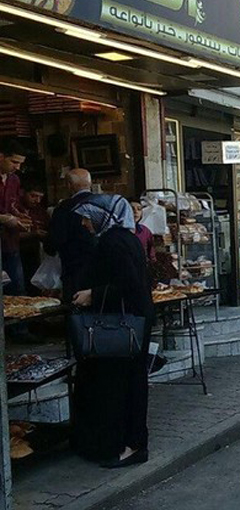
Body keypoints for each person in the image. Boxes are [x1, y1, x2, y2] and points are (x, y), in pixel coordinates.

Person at [71, 194, 155, 468]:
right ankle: (126, 443)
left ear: (101, 217)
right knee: (126, 384)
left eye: (87, 217)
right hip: (132, 322)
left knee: (121, 387)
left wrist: (92, 295)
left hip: (122, 326)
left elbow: (129, 283)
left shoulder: (113, 242)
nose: (84, 223)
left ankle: (129, 446)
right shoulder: (124, 238)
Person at [45, 168, 96, 300]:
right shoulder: (105, 203)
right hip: (103, 264)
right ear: (90, 183)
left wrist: (48, 246)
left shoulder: (65, 208)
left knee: (75, 304)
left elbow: (56, 239)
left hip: (75, 266)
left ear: (68, 185)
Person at [0, 139, 31, 295]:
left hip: (10, 241)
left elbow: (13, 204)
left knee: (18, 289)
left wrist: (19, 214)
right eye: (14, 162)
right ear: (1, 157)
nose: (17, 167)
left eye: (20, 163)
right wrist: (4, 218)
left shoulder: (14, 180)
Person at [19, 183, 49, 293]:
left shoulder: (40, 212)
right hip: (15, 251)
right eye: (33, 196)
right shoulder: (15, 208)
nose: (37, 200)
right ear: (23, 193)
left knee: (33, 285)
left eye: (40, 197)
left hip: (33, 253)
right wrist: (33, 234)